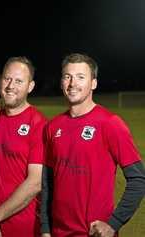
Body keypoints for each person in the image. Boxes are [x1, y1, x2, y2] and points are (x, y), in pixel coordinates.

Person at [41, 53, 145, 237]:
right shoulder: (53, 126)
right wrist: (45, 229)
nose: (72, 83)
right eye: (67, 76)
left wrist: (113, 224)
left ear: (94, 83)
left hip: (93, 233)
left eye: (81, 77)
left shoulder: (110, 123)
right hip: (57, 232)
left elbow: (138, 180)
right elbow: (47, 182)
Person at [0, 57, 47, 237]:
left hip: (22, 229)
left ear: (30, 86)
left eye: (19, 81)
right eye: (7, 79)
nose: (10, 85)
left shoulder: (39, 124)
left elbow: (35, 182)